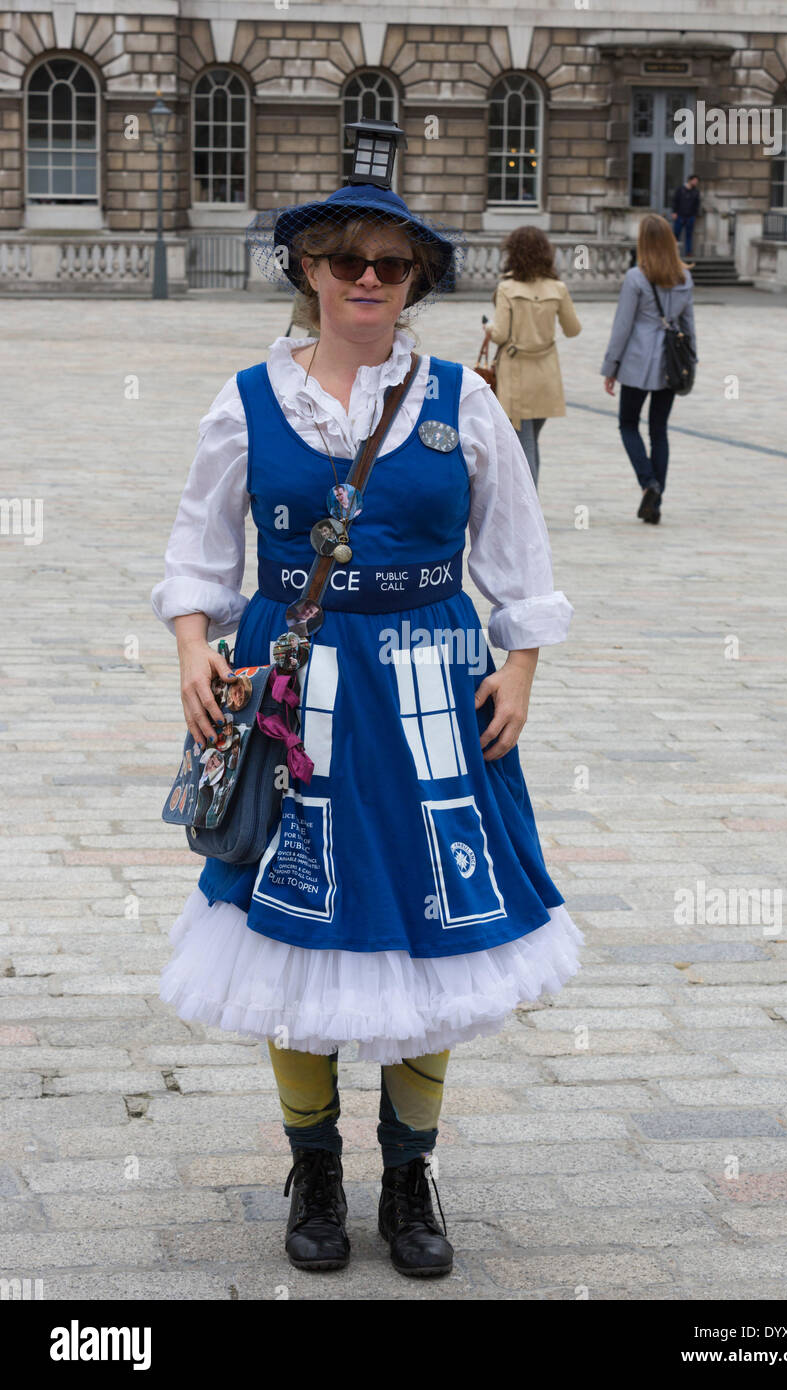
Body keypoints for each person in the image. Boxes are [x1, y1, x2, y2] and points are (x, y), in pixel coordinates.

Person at [151, 148, 583, 1280]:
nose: (367, 278)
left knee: (431, 922)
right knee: (294, 926)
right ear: (304, 266)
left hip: (435, 689)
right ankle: (313, 1168)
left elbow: (517, 557)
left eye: (391, 264)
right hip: (293, 691)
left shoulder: (463, 401)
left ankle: (406, 1173)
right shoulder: (247, 403)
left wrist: (522, 668)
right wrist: (195, 651)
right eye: (344, 259)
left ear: (413, 282)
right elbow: (199, 551)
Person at [600, 212, 697, 524]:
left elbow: (622, 327)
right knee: (659, 430)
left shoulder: (636, 278)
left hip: (637, 363)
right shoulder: (684, 278)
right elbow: (688, 325)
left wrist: (610, 366)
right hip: (670, 363)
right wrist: (690, 361)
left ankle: (649, 483)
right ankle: (656, 500)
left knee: (628, 424)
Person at [481, 225, 581, 488]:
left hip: (516, 376)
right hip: (546, 374)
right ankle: (529, 503)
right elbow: (573, 330)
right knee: (531, 442)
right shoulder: (557, 288)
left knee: (523, 448)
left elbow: (501, 335)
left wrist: (488, 327)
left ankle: (528, 507)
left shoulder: (507, 288)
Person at [671, 174, 700, 258]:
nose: (696, 182)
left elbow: (697, 204)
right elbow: (675, 201)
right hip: (680, 215)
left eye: (697, 181)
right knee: (676, 235)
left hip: (690, 216)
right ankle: (673, 252)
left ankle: (688, 253)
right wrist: (674, 212)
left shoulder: (696, 192)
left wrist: (694, 214)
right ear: (690, 180)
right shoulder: (680, 190)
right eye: (694, 180)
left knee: (689, 235)